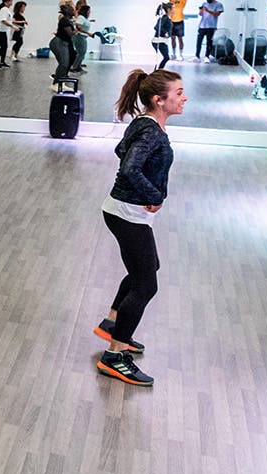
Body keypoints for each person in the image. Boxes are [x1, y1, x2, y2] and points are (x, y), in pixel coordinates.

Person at [95, 68, 185, 387]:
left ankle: (113, 322)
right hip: (128, 212)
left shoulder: (144, 122)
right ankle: (115, 355)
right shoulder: (151, 131)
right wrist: (154, 194)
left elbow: (121, 151)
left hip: (124, 209)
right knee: (147, 285)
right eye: (178, 93)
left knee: (145, 270)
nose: (184, 97)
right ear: (159, 100)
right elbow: (130, 165)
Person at [50, 4, 77, 88]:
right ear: (68, 11)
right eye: (72, 10)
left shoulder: (68, 20)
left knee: (65, 63)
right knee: (64, 64)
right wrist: (76, 31)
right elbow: (70, 34)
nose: (74, 11)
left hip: (63, 43)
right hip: (59, 43)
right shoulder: (64, 20)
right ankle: (56, 84)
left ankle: (60, 83)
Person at [0, 0, 14, 68]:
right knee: (3, 47)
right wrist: (12, 26)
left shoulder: (7, 9)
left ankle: (2, 62)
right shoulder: (4, 9)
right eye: (10, 1)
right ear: (6, 2)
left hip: (2, 31)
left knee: (5, 47)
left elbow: (8, 20)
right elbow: (3, 21)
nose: (11, 2)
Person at [72, 4, 93, 72]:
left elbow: (83, 24)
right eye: (89, 11)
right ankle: (75, 67)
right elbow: (78, 27)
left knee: (82, 53)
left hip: (82, 36)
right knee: (81, 53)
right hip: (79, 36)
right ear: (86, 11)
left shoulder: (83, 18)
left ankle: (78, 67)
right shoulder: (81, 17)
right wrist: (88, 33)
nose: (90, 12)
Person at [152, 4, 173, 70]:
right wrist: (165, 33)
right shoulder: (164, 18)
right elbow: (157, 27)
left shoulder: (167, 18)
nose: (174, 10)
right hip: (159, 41)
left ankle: (158, 71)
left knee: (166, 57)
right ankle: (158, 71)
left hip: (163, 41)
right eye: (173, 8)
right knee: (166, 57)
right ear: (169, 10)